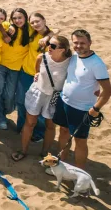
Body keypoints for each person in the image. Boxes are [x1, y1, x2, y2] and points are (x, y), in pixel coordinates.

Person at [54, 30, 110, 169]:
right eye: (76, 43)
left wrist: (95, 109)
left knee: (80, 141)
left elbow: (107, 90)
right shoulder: (74, 57)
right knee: (63, 132)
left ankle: (80, 173)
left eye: (82, 43)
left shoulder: (96, 64)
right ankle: (62, 163)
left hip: (82, 109)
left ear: (90, 43)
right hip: (64, 101)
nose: (79, 46)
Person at [12, 34, 71, 162]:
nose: (49, 47)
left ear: (63, 50)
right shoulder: (42, 57)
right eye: (49, 44)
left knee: (50, 126)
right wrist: (38, 75)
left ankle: (45, 153)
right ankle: (23, 150)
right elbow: (37, 70)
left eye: (53, 46)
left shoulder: (69, 62)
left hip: (54, 97)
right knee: (30, 123)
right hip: (38, 93)